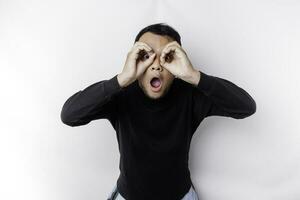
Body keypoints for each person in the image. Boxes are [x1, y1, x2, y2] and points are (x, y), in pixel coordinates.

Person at [60, 23, 256, 200]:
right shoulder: (120, 95)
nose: (155, 65)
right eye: (146, 56)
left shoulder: (190, 95)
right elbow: (69, 115)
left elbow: (246, 107)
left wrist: (193, 75)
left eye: (166, 57)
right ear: (134, 59)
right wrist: (121, 79)